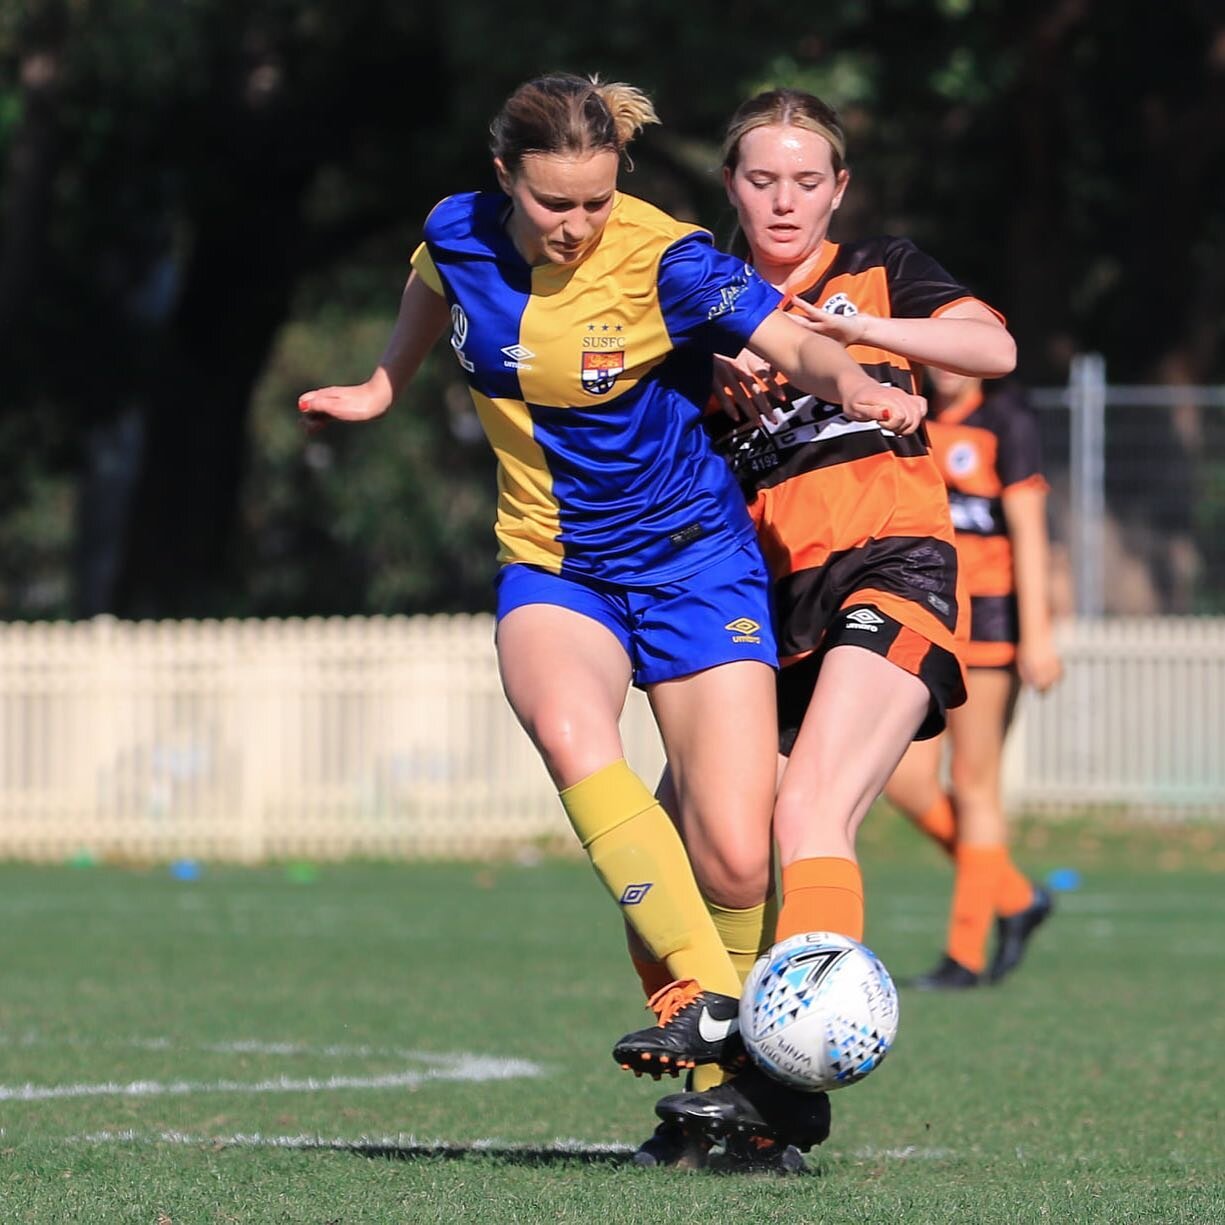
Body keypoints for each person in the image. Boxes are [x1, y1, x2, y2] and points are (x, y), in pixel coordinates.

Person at [297, 74, 924, 1141]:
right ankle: (709, 1004)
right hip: (554, 564)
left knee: (732, 853)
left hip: (695, 566)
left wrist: (852, 382)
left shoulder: (666, 256)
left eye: (595, 201)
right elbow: (428, 286)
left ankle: (746, 1094)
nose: (578, 226)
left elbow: (790, 337)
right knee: (569, 727)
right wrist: (383, 383)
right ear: (505, 179)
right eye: (552, 205)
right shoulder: (457, 231)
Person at [647, 88, 1017, 1153]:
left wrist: (850, 333)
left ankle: (788, 1086)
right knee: (691, 835)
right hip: (756, 607)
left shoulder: (878, 270)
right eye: (761, 179)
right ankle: (710, 1061)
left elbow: (987, 348)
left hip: (890, 567)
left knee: (811, 810)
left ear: (838, 189)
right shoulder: (700, 307)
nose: (784, 200)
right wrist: (708, 378)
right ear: (729, 185)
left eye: (808, 181)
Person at [884, 370, 1062, 989]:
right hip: (927, 610)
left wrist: (1037, 634)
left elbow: (1030, 534)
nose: (947, 366)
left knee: (972, 781)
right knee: (904, 781)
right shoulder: (907, 410)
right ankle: (1015, 896)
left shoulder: (1005, 421)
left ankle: (965, 954)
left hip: (990, 619)